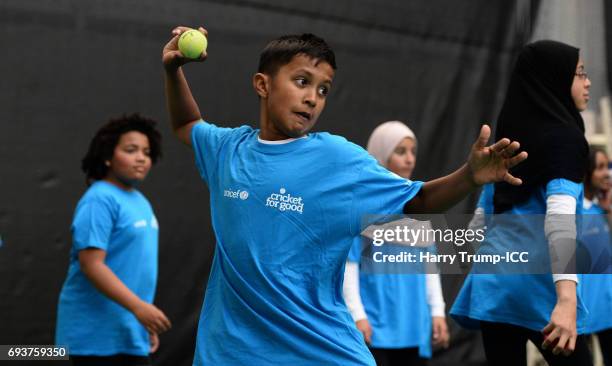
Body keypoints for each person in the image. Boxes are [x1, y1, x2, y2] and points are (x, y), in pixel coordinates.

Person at [162, 26, 526, 365]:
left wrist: (470, 176)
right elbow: (186, 124)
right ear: (262, 84)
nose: (312, 99)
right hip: (230, 353)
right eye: (302, 81)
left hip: (320, 349)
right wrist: (173, 70)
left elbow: (419, 202)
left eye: (323, 90)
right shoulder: (228, 150)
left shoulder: (338, 159)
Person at [450, 40, 593, 366]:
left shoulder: (509, 139)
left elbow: (479, 222)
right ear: (553, 80)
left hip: (494, 287)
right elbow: (559, 223)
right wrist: (567, 300)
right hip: (541, 290)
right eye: (579, 74)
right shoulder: (566, 140)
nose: (587, 83)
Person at [55, 114, 171, 365]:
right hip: (92, 341)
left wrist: (143, 321)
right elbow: (91, 264)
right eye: (131, 150)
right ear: (108, 156)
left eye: (147, 152)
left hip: (129, 335)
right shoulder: (99, 199)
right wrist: (140, 308)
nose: (141, 157)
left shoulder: (140, 201)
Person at [343, 121, 449, 366]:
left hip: (413, 327)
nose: (409, 159)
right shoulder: (362, 208)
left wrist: (437, 312)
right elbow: (349, 268)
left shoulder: (420, 210)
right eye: (400, 152)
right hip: (374, 329)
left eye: (412, 152)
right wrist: (357, 315)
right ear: (381, 154)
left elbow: (430, 268)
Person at [580, 147, 612, 365]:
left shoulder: (602, 210)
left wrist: (608, 209)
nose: (608, 173)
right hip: (581, 313)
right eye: (601, 167)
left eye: (608, 166)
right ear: (587, 171)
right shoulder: (571, 211)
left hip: (608, 311)